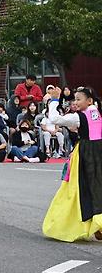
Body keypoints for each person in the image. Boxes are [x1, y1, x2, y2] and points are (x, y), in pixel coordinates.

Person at [41, 86, 102, 242]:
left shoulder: (78, 117)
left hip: (86, 154)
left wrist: (54, 101)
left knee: (77, 189)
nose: (76, 102)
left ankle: (70, 224)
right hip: (99, 151)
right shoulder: (97, 112)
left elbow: (55, 119)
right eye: (75, 99)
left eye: (79, 99)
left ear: (89, 101)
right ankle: (98, 225)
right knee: (97, 187)